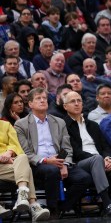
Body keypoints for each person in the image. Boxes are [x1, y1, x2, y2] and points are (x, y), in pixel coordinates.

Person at [15, 88, 93, 219]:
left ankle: (63, 207)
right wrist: (46, 160)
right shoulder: (21, 124)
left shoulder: (59, 121)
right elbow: (25, 152)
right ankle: (53, 208)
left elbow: (66, 147)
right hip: (37, 164)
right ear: (30, 104)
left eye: (44, 98)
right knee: (51, 171)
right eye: (38, 98)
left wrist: (64, 164)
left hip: (59, 161)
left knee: (84, 178)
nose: (42, 100)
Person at [0, 118, 50, 221]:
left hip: (8, 164)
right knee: (27, 170)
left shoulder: (6, 125)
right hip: (3, 163)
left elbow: (15, 145)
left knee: (23, 158)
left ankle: (22, 195)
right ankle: (33, 205)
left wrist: (9, 153)